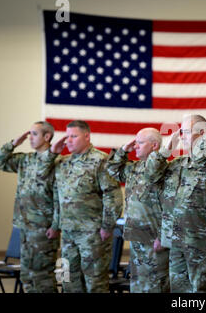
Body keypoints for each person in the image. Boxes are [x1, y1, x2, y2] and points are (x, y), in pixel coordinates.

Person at [38, 120, 123, 293]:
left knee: (95, 282)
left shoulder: (101, 161)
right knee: (67, 280)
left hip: (92, 234)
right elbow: (46, 182)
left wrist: (108, 226)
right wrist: (53, 152)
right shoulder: (63, 162)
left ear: (87, 136)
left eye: (74, 136)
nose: (68, 140)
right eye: (67, 137)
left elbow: (112, 196)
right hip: (68, 233)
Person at [160, 115, 206, 293]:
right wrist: (166, 149)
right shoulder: (178, 164)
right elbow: (151, 175)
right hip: (177, 243)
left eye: (186, 132)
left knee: (203, 291)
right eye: (180, 132)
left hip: (203, 244)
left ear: (203, 133)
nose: (181, 136)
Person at [0, 121, 59, 293]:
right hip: (24, 225)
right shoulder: (25, 160)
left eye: (34, 134)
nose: (29, 138)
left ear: (47, 136)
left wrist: (56, 224)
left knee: (42, 275)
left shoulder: (56, 162)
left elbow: (60, 198)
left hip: (43, 227)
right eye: (29, 134)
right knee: (27, 275)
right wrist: (13, 143)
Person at [106, 128, 174, 293]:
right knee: (137, 286)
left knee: (155, 285)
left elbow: (172, 206)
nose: (135, 146)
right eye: (135, 142)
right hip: (137, 237)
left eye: (140, 142)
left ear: (154, 145)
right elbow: (113, 170)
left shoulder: (166, 170)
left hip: (154, 238)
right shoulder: (134, 168)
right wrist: (123, 151)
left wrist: (164, 236)